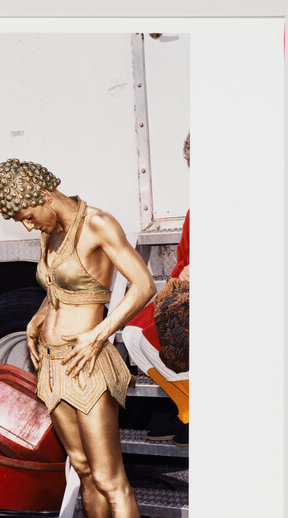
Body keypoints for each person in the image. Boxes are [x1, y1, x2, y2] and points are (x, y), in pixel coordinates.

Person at [0, 159, 157, 518]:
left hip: (88, 364)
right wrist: (39, 315)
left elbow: (143, 284)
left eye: (27, 215)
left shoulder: (97, 223)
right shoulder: (51, 229)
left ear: (45, 194)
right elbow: (59, 289)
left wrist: (102, 333)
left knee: (111, 478)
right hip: (54, 364)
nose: (27, 225)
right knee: (81, 468)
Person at [122, 132, 190, 446]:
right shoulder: (196, 213)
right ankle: (188, 408)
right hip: (191, 299)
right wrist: (183, 280)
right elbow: (180, 264)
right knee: (134, 333)